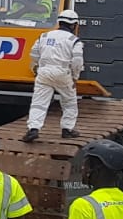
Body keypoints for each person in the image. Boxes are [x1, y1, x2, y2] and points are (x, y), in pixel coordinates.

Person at [24, 9, 83, 142]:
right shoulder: (74, 40)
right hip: (63, 73)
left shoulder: (44, 36)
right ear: (74, 25)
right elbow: (77, 62)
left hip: (44, 72)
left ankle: (33, 129)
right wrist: (75, 77)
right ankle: (67, 129)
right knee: (69, 102)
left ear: (59, 22)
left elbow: (33, 53)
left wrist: (38, 65)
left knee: (39, 102)